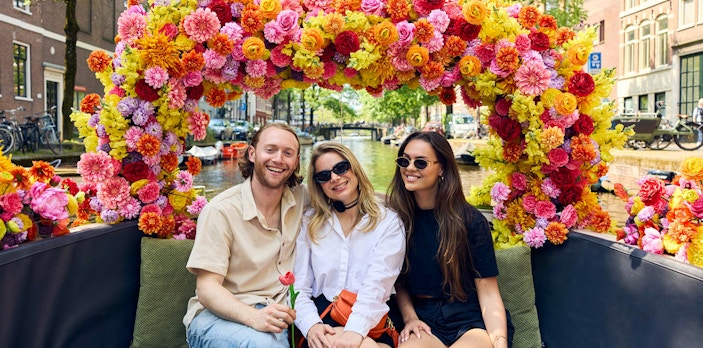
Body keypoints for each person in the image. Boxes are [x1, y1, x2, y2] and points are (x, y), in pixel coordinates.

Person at [184, 122, 308, 348]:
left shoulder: (302, 199)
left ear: (296, 161)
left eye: (287, 153)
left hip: (278, 314)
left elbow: (350, 195)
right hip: (220, 316)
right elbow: (207, 288)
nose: (279, 159)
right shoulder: (221, 211)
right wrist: (254, 317)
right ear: (252, 153)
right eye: (270, 150)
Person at [386, 132, 513, 348]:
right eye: (404, 161)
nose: (410, 168)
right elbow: (397, 283)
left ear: (442, 168)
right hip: (419, 318)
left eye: (421, 162)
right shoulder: (395, 221)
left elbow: (488, 292)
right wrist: (410, 318)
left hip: (469, 318)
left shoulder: (471, 221)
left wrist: (499, 342)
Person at [294, 142, 406, 348]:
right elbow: (299, 287)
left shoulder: (387, 222)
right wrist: (311, 325)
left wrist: (354, 331)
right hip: (322, 319)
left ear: (354, 168)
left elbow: (377, 286)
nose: (334, 178)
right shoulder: (309, 223)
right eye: (324, 176)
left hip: (371, 320)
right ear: (318, 185)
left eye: (340, 168)